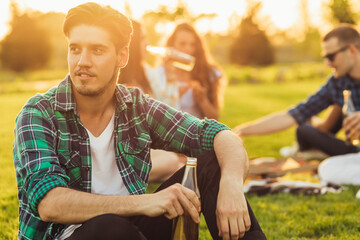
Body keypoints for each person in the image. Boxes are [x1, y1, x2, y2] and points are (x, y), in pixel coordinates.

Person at [12, 3, 266, 240]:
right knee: (109, 226)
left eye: (97, 50)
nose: (82, 62)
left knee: (214, 163)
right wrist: (146, 202)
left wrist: (232, 185)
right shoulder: (39, 113)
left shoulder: (136, 106)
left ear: (122, 57)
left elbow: (218, 134)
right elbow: (50, 204)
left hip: (131, 229)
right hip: (69, 234)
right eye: (75, 49)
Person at [234, 24, 360, 157]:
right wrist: (241, 131)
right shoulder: (337, 83)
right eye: (325, 57)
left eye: (331, 57)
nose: (327, 63)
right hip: (354, 149)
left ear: (351, 50)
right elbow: (293, 115)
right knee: (304, 129)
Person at [117, 19, 186, 183]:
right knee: (172, 162)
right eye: (143, 39)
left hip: (149, 149)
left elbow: (169, 113)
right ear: (131, 43)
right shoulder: (117, 77)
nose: (147, 43)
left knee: (177, 164)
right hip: (125, 152)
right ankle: (120, 178)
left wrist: (170, 80)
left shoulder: (148, 73)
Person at [147, 22, 227, 120]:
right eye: (182, 44)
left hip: (197, 132)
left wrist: (202, 101)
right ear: (172, 46)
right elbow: (155, 117)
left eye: (192, 44)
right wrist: (174, 96)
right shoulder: (159, 74)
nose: (188, 49)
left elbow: (215, 117)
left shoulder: (209, 72)